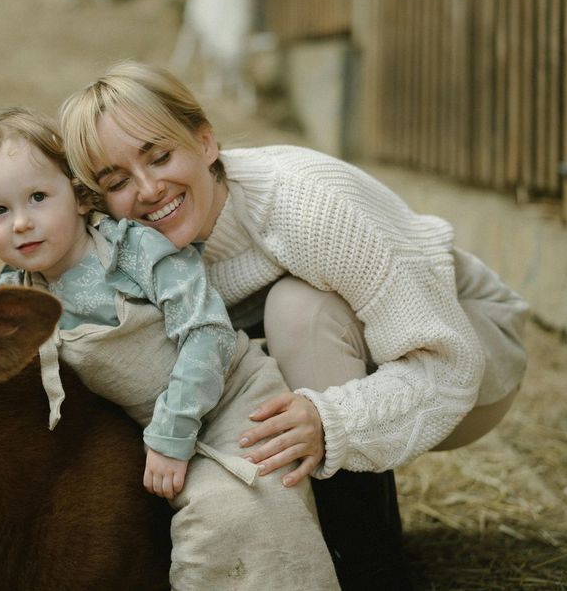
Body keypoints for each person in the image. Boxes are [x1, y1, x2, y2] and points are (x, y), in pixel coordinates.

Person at [59, 61, 530, 590]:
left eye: (161, 156)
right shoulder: (128, 248)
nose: (147, 189)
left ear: (206, 142)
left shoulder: (307, 204)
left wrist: (331, 422)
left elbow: (448, 364)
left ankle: (371, 571)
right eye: (118, 181)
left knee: (298, 309)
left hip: (468, 355)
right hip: (361, 358)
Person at [0, 107, 340, 590]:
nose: (22, 223)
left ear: (79, 196)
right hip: (157, 429)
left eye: (39, 197)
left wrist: (171, 435)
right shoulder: (18, 295)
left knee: (233, 515)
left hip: (234, 401)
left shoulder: (131, 250)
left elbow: (207, 334)